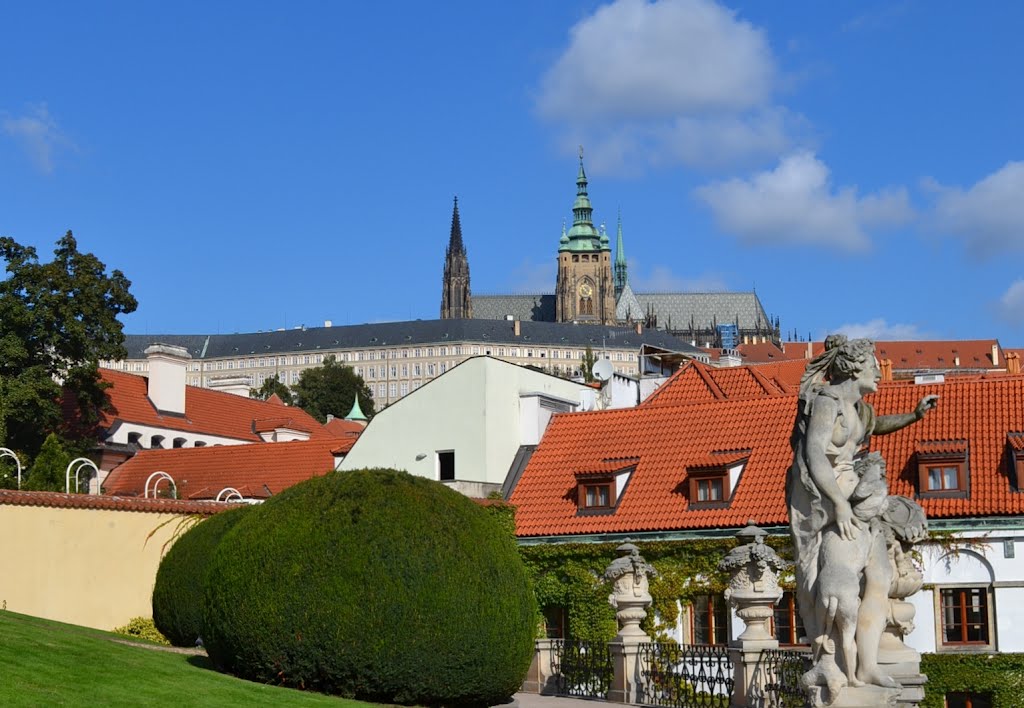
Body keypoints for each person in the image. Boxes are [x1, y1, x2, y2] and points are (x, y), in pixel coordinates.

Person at [786, 335, 937, 699]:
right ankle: (833, 661)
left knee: (881, 576)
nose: (879, 373)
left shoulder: (859, 409)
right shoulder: (827, 402)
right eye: (872, 365)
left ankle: (867, 664)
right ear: (854, 368)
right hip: (823, 498)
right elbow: (816, 454)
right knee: (834, 575)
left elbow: (877, 425)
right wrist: (837, 503)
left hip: (850, 491)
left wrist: (915, 415)